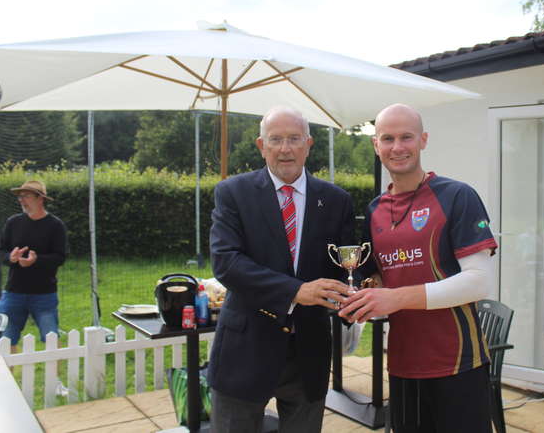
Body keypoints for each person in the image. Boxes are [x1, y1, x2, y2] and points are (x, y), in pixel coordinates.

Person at [339, 103, 498, 433]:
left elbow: (480, 282)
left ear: (423, 140)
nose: (397, 147)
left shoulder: (457, 196)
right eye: (387, 138)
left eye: (406, 137)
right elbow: (384, 275)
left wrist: (397, 298)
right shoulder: (374, 210)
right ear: (375, 145)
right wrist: (371, 290)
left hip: (458, 362)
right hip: (403, 363)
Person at [208, 106, 355, 433]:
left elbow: (345, 265)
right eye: (276, 139)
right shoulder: (232, 193)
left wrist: (358, 287)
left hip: (309, 352)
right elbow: (226, 262)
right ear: (262, 145)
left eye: (294, 139)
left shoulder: (336, 200)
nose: (285, 148)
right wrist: (295, 291)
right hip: (244, 350)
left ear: (308, 143)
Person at [0, 180, 68, 352]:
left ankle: (55, 379)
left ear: (40, 199)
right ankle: (8, 379)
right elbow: (1, 252)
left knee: (51, 338)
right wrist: (11, 258)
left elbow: (60, 257)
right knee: (6, 339)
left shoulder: (55, 225)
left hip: (44, 294)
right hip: (13, 292)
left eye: (26, 196)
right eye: (20, 196)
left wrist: (37, 261)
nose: (21, 200)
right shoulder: (13, 222)